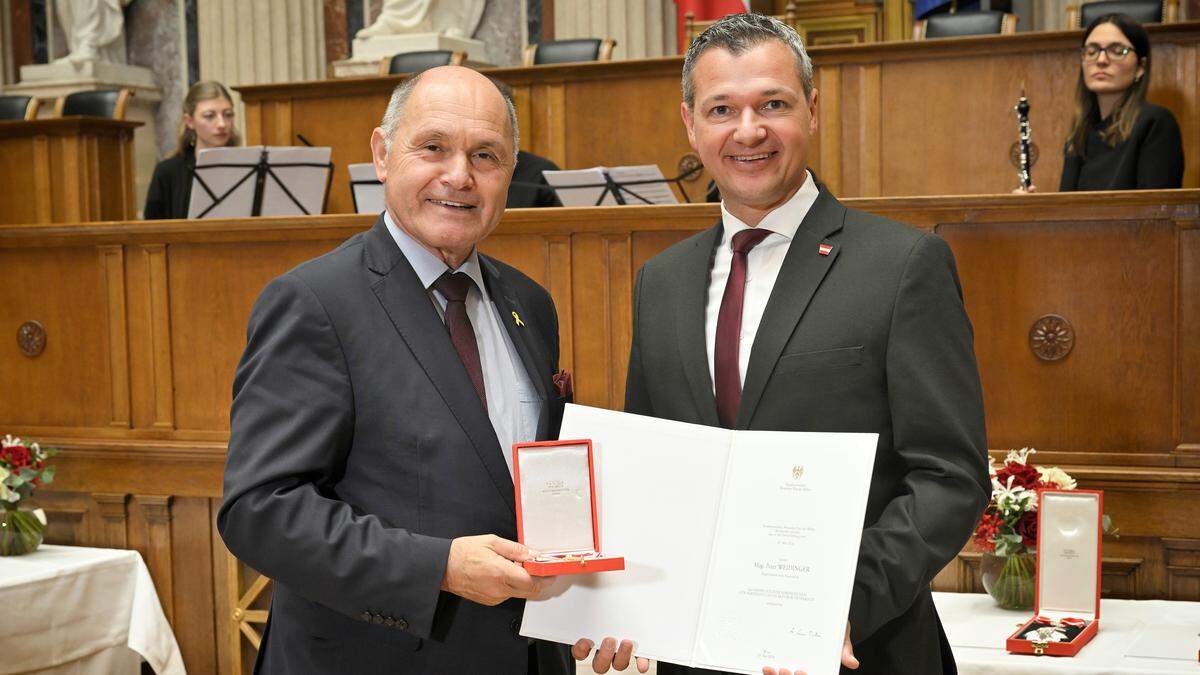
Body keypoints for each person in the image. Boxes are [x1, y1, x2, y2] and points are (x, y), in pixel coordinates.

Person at [576, 13, 990, 675]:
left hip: (862, 650)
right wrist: (620, 602)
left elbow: (951, 477)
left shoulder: (904, 265)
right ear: (690, 123)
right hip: (699, 657)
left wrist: (838, 604)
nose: (748, 131)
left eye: (773, 103)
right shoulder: (661, 281)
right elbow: (655, 475)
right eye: (721, 109)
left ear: (813, 109)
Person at [218, 66, 573, 674]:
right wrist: (437, 568)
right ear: (383, 154)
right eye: (433, 147)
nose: (458, 175)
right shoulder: (315, 302)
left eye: (485, 155)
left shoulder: (530, 304)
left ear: (510, 173)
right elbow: (261, 510)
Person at [1022, 13, 1184, 193]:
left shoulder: (1156, 123)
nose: (1101, 60)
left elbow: (1157, 212)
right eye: (1091, 51)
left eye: (1117, 51)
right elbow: (1069, 212)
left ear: (1140, 67)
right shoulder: (1079, 135)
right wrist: (1033, 206)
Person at [144, 81, 238, 219]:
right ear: (189, 121)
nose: (222, 124)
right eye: (209, 116)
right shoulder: (167, 172)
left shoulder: (245, 165)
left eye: (228, 115)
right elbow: (151, 230)